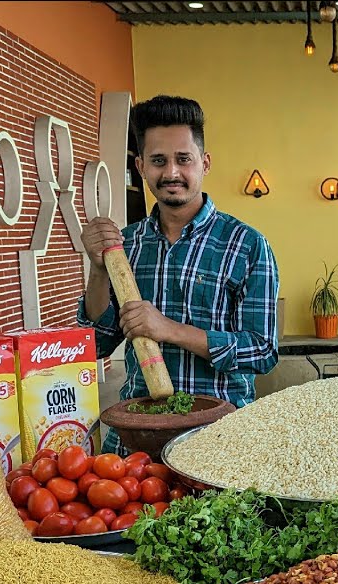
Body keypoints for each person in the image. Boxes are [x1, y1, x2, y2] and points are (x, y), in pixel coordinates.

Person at [77, 95, 279, 455]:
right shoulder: (125, 246)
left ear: (205, 162)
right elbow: (96, 344)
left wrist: (167, 329)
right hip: (137, 435)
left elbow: (261, 350)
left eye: (183, 159)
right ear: (141, 166)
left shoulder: (247, 245)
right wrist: (97, 269)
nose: (171, 172)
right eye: (158, 161)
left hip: (221, 435)